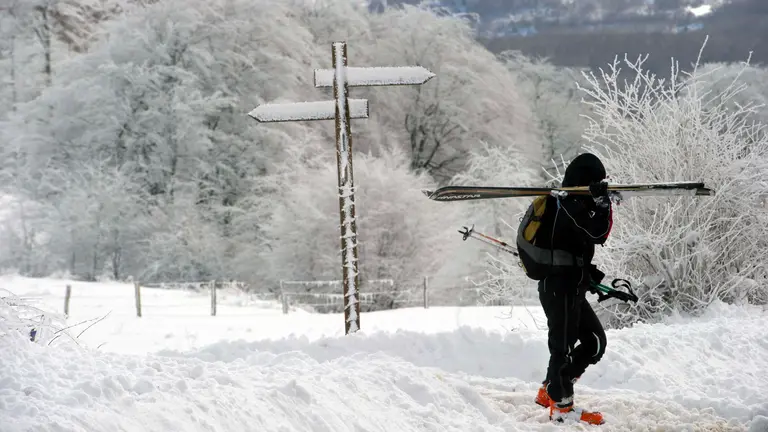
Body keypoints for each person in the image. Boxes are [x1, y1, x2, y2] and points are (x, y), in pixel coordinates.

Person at [530, 153, 612, 425]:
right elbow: (597, 234)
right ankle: (562, 407)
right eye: (597, 181)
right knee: (561, 349)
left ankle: (549, 389)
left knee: (594, 342)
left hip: (571, 285)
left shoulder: (573, 204)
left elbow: (572, 245)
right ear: (585, 181)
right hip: (559, 288)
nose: (601, 185)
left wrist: (587, 273)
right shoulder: (566, 204)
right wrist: (602, 204)